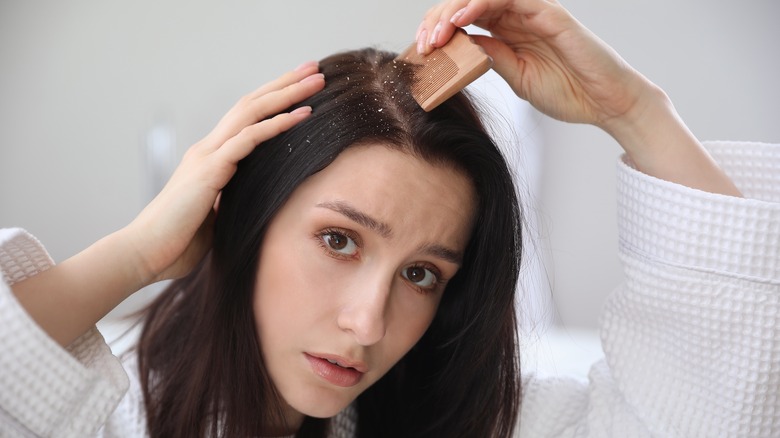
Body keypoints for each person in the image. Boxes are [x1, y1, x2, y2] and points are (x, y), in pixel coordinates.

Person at [1, 0, 777, 437]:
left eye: (421, 274)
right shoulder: (111, 416)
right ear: (244, 215)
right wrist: (138, 252)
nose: (370, 323)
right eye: (339, 240)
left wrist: (636, 112)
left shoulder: (459, 422)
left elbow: (699, 417)